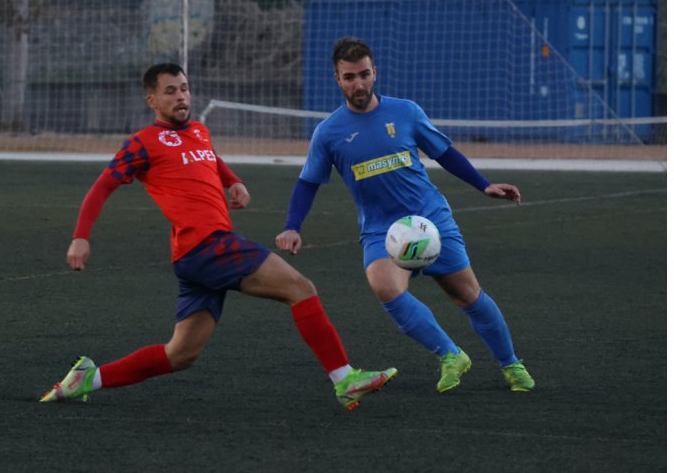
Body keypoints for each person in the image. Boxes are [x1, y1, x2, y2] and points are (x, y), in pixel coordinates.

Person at [39, 62, 397, 411]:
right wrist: (80, 236)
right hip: (207, 245)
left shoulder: (198, 131)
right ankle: (345, 379)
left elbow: (209, 158)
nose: (181, 96)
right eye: (170, 91)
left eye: (184, 88)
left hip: (194, 257)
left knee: (180, 354)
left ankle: (87, 378)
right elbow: (102, 188)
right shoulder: (142, 143)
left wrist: (233, 180)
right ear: (152, 100)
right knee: (301, 288)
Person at [275, 37, 535, 393]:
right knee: (385, 286)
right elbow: (307, 183)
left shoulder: (406, 112)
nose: (359, 84)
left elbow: (444, 152)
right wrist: (293, 226)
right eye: (350, 77)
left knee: (467, 295)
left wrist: (483, 184)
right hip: (381, 231)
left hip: (431, 220)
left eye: (364, 74)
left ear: (375, 73)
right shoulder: (329, 133)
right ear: (337, 80)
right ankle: (450, 354)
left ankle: (511, 365)